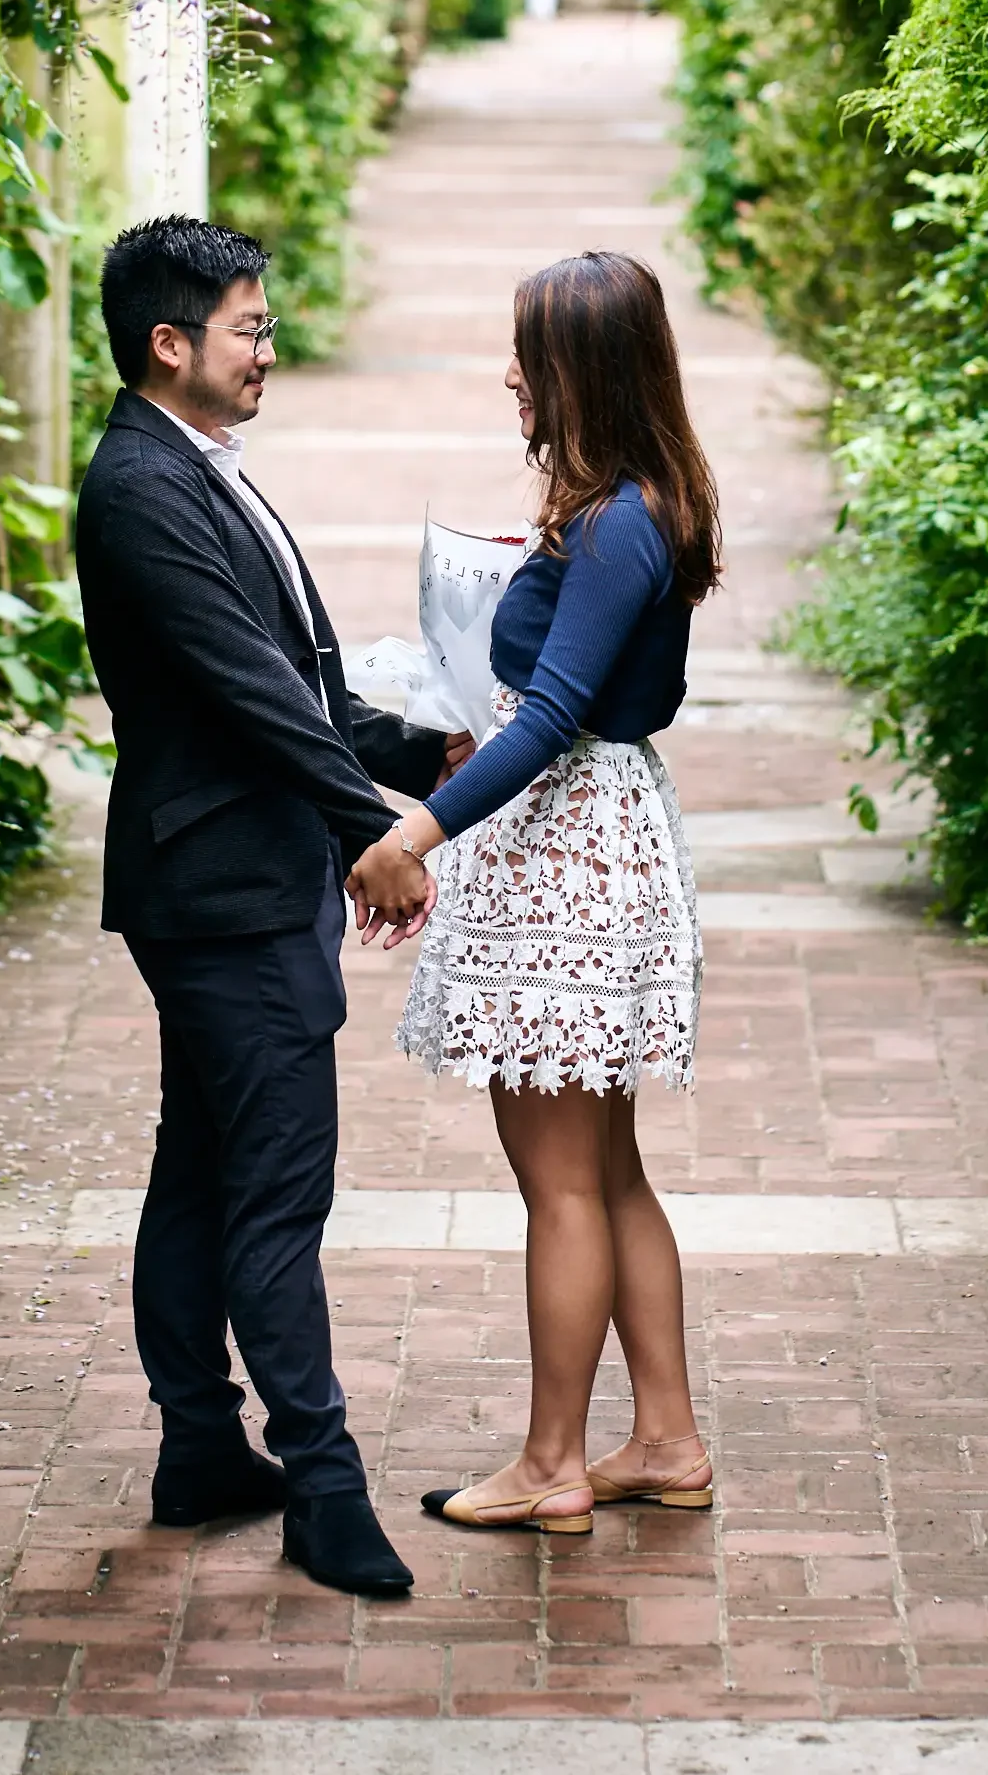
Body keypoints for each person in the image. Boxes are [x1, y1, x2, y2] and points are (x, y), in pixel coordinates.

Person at [74, 215, 470, 1599]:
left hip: (231, 879)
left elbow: (291, 681)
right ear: (168, 342)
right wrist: (375, 829)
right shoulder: (136, 489)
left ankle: (199, 1450)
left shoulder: (192, 468)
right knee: (277, 1195)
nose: (269, 350)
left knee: (202, 1164)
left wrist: (422, 758)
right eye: (250, 327)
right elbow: (247, 703)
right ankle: (322, 1486)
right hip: (225, 892)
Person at [349, 250, 720, 1534]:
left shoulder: (620, 519)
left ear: (589, 373)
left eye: (535, 355)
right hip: (590, 839)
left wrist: (421, 832)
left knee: (562, 1179)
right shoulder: (625, 504)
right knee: (606, 1170)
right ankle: (663, 1439)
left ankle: (553, 1462)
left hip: (570, 855)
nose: (514, 374)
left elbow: (556, 713)